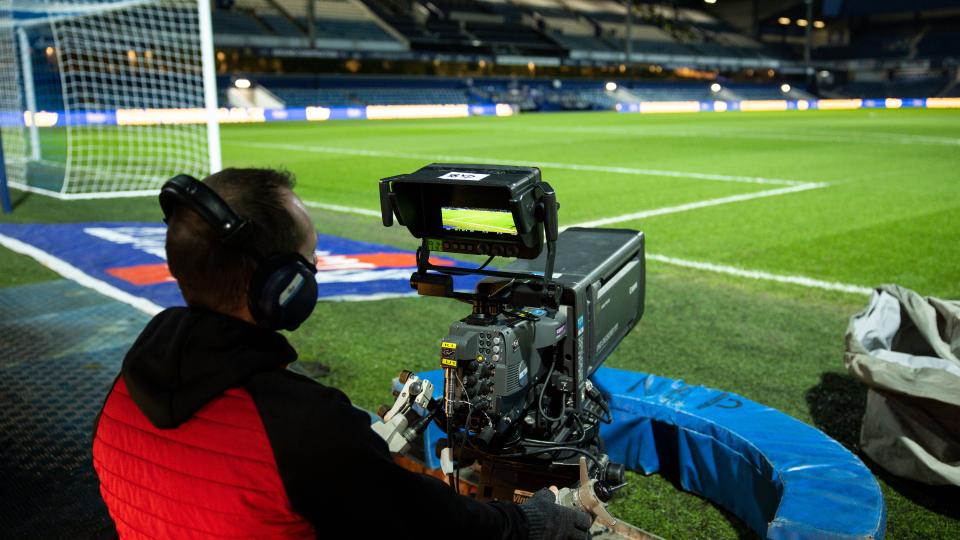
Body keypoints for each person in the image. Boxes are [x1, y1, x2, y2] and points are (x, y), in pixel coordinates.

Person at [91, 168, 592, 539]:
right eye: (308, 264)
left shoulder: (125, 389)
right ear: (283, 288)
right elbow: (436, 526)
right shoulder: (302, 426)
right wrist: (530, 521)